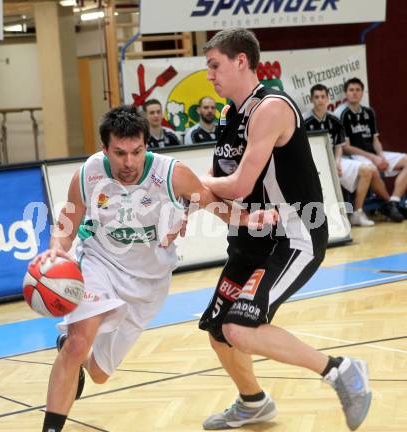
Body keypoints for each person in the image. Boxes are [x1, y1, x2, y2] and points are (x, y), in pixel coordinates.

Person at [34, 105, 276, 432]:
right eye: (119, 153)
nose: (129, 162)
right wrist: (55, 254)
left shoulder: (171, 174)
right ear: (105, 149)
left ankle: (72, 355)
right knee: (79, 342)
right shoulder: (88, 174)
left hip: (150, 281)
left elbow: (212, 203)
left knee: (100, 374)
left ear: (147, 145)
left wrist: (246, 219)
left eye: (136, 151)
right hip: (99, 262)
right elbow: (67, 225)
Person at [198, 29, 371, 431]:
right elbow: (218, 178)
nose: (209, 76)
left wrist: (185, 183)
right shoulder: (229, 114)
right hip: (251, 239)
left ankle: (341, 370)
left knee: (239, 326)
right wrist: (193, 198)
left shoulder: (271, 108)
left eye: (214, 65)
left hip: (294, 236)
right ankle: (253, 402)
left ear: (241, 61)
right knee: (218, 329)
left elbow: (238, 184)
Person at [305, 84, 380, 227]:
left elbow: (339, 146)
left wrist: (337, 162)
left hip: (335, 161)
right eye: (317, 97)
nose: (320, 100)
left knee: (367, 170)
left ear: (328, 98)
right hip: (315, 165)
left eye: (323, 97)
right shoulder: (304, 121)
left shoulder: (335, 120)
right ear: (311, 99)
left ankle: (357, 213)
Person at [335, 78, 406, 221]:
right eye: (351, 90)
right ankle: (389, 204)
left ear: (362, 93)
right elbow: (346, 148)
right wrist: (374, 158)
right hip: (355, 156)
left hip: (373, 153)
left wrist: (381, 155)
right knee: (371, 169)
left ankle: (395, 200)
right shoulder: (341, 114)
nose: (354, 93)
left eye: (357, 90)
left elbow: (375, 140)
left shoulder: (368, 112)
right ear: (346, 93)